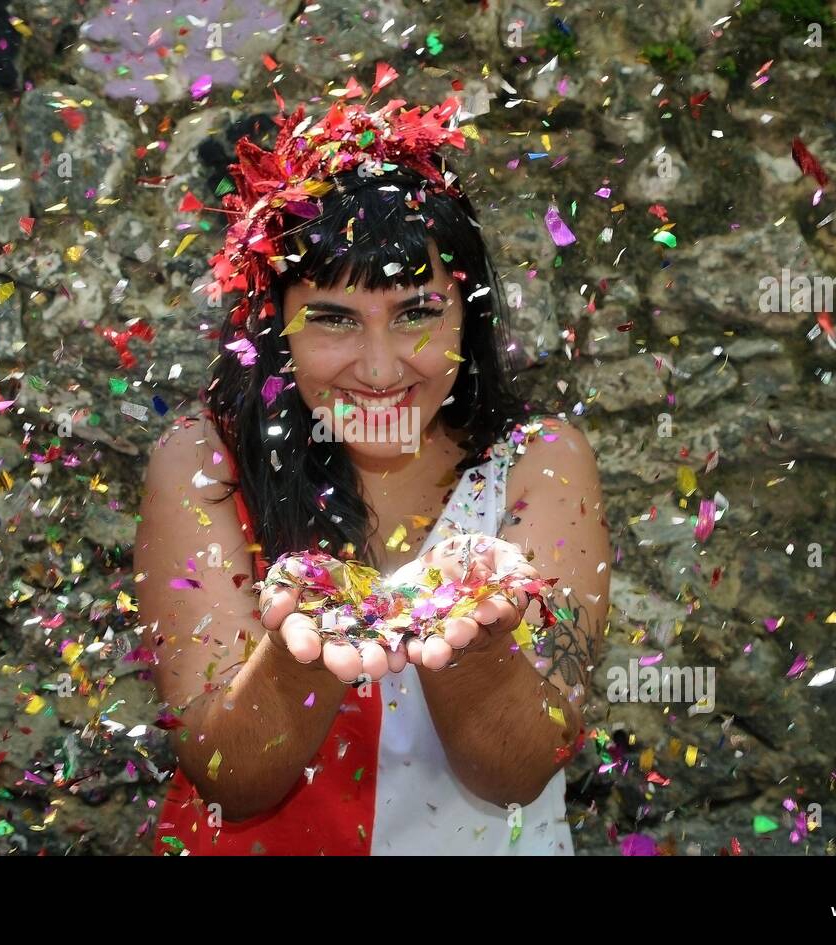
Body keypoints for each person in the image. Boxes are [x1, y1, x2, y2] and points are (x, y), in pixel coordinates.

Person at [133, 94, 610, 855]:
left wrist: (473, 642)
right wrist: (302, 651)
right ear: (274, 323)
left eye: (418, 311)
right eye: (333, 318)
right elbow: (230, 776)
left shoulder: (540, 461)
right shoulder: (202, 463)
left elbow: (519, 770)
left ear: (469, 313)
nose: (382, 370)